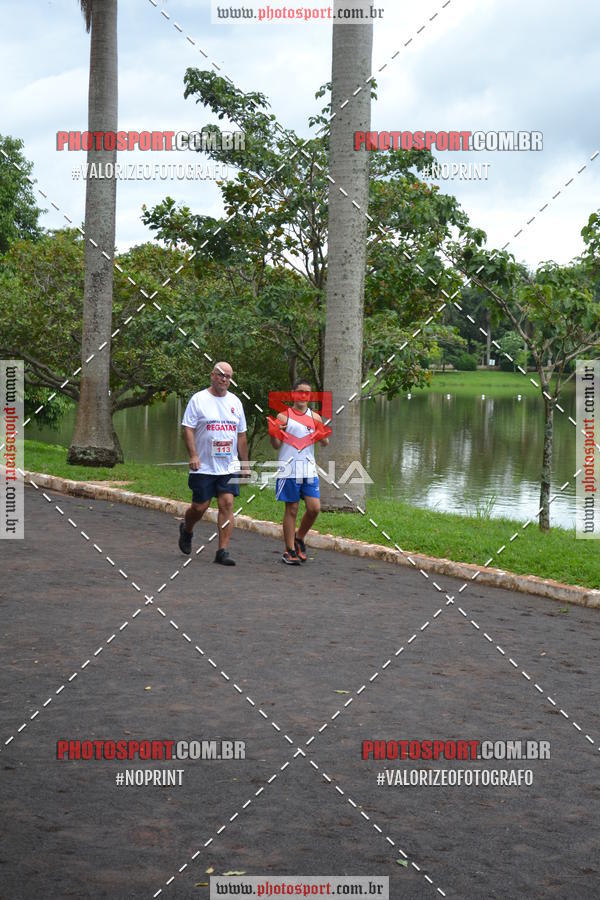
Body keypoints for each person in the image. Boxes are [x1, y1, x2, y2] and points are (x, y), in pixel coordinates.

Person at [178, 361, 249, 566]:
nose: (224, 379)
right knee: (200, 507)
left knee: (227, 503)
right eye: (220, 375)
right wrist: (193, 455)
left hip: (228, 465)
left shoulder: (235, 402)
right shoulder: (199, 399)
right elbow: (188, 428)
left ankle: (222, 551)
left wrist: (245, 464)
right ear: (212, 375)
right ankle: (187, 529)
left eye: (228, 376)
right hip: (204, 465)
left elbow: (241, 435)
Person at [269, 379, 329, 565]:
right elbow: (275, 445)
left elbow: (325, 442)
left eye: (307, 392)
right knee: (292, 508)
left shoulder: (315, 417)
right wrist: (273, 432)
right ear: (293, 393)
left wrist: (321, 434)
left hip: (308, 469)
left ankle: (299, 538)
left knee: (314, 508)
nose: (303, 395)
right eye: (300, 391)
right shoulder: (283, 416)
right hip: (289, 469)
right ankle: (289, 550)